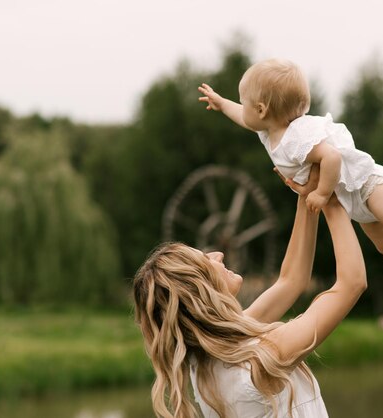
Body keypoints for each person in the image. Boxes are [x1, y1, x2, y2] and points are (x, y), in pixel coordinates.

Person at [197, 58, 383, 323]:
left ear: (261, 110)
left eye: (244, 103)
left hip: (368, 184)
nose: (242, 109)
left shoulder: (295, 136)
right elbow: (243, 117)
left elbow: (331, 158)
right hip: (352, 198)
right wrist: (222, 104)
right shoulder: (269, 131)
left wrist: (320, 193)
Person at [133, 166, 367, 418]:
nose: (218, 254)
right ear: (200, 289)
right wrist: (329, 199)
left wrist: (307, 196)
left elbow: (291, 281)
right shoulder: (259, 360)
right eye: (205, 260)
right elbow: (352, 283)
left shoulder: (212, 360)